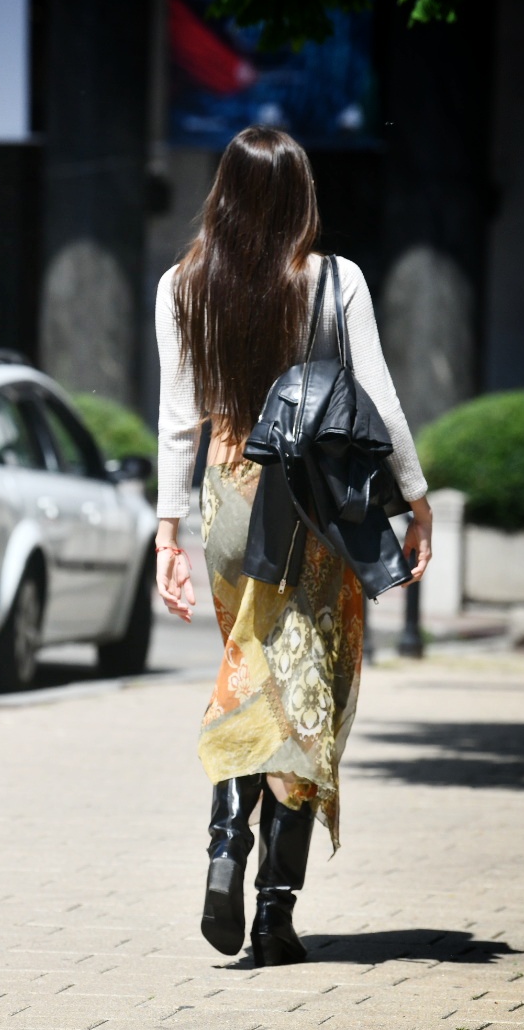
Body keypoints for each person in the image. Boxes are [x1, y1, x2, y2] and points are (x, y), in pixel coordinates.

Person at [154, 126, 433, 967]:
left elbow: (178, 419)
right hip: (313, 503)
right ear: (300, 196)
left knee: (251, 678)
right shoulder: (334, 280)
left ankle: (223, 850)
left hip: (229, 496)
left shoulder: (182, 284)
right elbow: (376, 400)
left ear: (224, 193)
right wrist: (417, 501)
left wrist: (168, 533)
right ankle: (274, 913)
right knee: (305, 697)